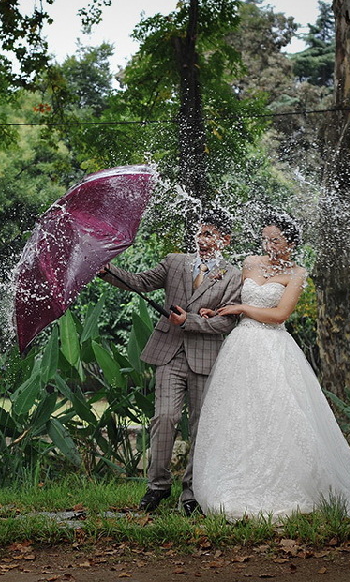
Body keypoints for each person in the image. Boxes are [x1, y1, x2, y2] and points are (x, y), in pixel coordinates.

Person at [191, 215, 350, 519]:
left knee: (280, 412)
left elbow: (280, 314)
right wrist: (217, 310)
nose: (269, 246)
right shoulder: (250, 262)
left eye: (276, 240)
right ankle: (238, 478)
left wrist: (243, 308)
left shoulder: (297, 273)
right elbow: (232, 298)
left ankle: (291, 483)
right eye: (265, 240)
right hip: (241, 347)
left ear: (291, 243)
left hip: (273, 347)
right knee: (240, 414)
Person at [97, 210, 242, 515]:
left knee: (200, 426)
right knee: (164, 417)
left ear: (225, 240)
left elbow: (226, 324)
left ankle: (191, 492)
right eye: (200, 233)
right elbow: (140, 281)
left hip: (206, 358)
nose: (203, 240)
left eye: (210, 235)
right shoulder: (175, 262)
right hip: (168, 354)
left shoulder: (233, 276)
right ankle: (157, 486)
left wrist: (187, 320)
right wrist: (108, 271)